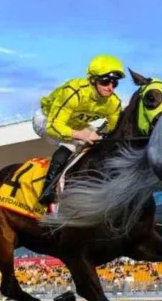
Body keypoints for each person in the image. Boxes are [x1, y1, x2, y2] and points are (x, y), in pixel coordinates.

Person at [33, 54, 125, 206]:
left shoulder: (113, 103)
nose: (110, 87)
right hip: (46, 119)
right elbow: (54, 125)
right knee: (73, 143)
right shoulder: (74, 91)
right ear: (93, 79)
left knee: (100, 143)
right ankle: (47, 190)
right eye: (105, 81)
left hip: (75, 123)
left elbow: (114, 129)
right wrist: (81, 135)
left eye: (114, 83)